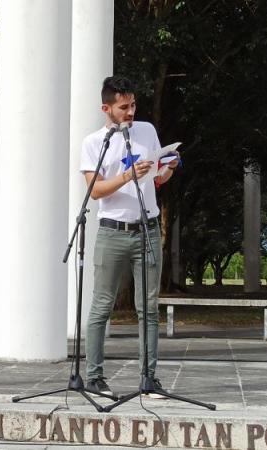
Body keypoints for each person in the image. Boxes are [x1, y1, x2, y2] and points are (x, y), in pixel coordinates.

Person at [79, 76, 179, 398]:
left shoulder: (147, 131)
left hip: (148, 228)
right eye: (124, 107)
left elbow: (157, 179)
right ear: (106, 108)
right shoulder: (94, 142)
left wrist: (169, 168)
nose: (131, 112)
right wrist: (126, 175)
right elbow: (94, 191)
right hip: (113, 231)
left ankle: (148, 379)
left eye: (133, 105)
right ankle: (94, 377)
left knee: (148, 308)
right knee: (101, 306)